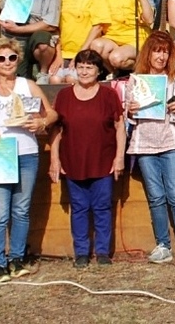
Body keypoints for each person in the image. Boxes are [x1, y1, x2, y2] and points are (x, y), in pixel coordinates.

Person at [0, 38, 57, 281]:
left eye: (12, 58)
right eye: (1, 58)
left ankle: (16, 259)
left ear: (18, 60)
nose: (7, 63)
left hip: (26, 152)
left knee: (22, 210)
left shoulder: (28, 85)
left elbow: (52, 112)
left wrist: (41, 122)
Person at [125, 32, 175, 266]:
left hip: (172, 142)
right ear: (149, 53)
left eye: (166, 51)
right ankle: (163, 245)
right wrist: (130, 110)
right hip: (145, 143)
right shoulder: (136, 79)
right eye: (157, 51)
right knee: (156, 197)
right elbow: (129, 113)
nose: (161, 56)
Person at [49, 50, 126, 268]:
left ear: (98, 70)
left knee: (102, 207)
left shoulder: (109, 95)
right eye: (81, 67)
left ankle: (103, 252)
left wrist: (119, 157)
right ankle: (81, 252)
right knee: (79, 207)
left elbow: (120, 127)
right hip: (73, 160)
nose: (84, 71)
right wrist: (55, 160)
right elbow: (56, 130)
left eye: (89, 67)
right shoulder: (64, 96)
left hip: (103, 160)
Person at [50, 0, 110, 83]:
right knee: (54, 80)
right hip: (64, 53)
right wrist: (58, 55)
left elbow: (98, 26)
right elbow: (55, 28)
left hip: (85, 53)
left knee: (72, 79)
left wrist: (79, 54)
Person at [91, 0, 153, 74]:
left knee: (116, 57)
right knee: (96, 46)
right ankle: (115, 73)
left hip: (135, 40)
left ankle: (140, 68)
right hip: (112, 38)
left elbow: (149, 19)